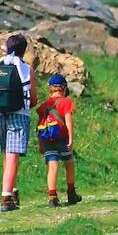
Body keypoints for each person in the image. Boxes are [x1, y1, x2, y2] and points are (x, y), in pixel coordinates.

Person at [0, 34, 37, 212]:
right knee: (13, 156)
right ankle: (6, 198)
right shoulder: (26, 69)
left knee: (6, 154)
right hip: (18, 115)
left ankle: (12, 190)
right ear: (24, 50)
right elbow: (33, 99)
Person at [36, 74, 81, 207]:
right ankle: (71, 193)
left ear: (50, 89)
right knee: (69, 163)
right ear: (64, 88)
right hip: (62, 138)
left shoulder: (44, 105)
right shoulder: (66, 102)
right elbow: (68, 121)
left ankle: (52, 197)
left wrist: (40, 144)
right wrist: (71, 138)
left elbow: (40, 124)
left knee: (52, 165)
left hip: (46, 139)